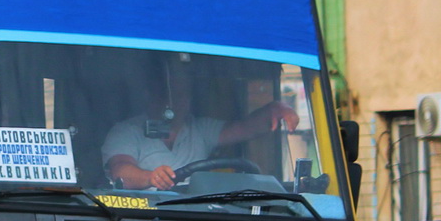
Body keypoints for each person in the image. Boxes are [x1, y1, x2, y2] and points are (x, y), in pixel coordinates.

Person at [102, 57, 298, 190]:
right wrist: (151, 177)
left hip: (197, 217)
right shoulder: (127, 132)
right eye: (171, 94)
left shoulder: (199, 129)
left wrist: (275, 109)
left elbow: (244, 129)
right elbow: (120, 171)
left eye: (183, 94)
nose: (178, 101)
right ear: (152, 96)